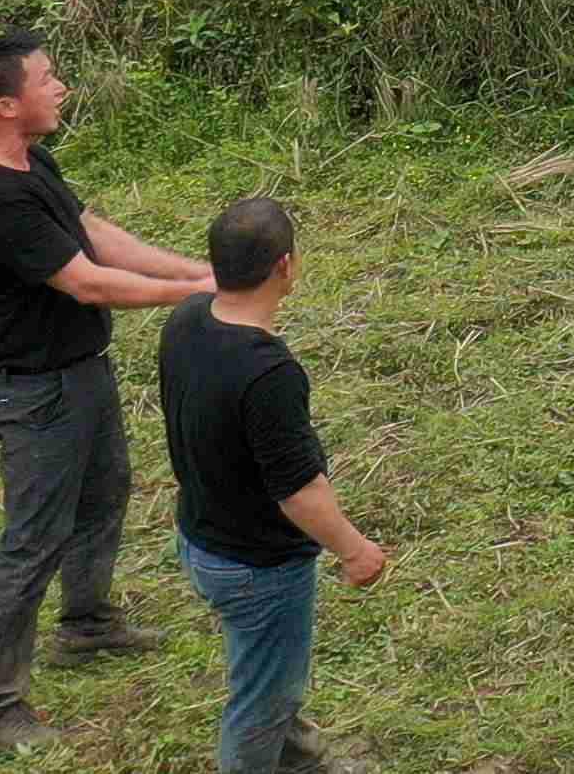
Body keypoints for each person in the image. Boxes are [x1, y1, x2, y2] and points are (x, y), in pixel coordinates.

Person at [0, 31, 213, 751]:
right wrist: (191, 293)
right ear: (7, 103)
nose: (60, 85)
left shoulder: (29, 159)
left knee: (105, 493)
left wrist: (196, 269)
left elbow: (93, 233)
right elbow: (86, 280)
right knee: (32, 539)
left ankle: (86, 625)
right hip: (37, 395)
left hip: (79, 370)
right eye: (47, 77)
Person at [157, 197, 385, 774]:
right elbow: (299, 491)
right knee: (262, 700)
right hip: (257, 566)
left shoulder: (186, 320)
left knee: (265, 669)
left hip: (200, 536)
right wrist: (355, 550)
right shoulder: (269, 373)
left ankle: (302, 762)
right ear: (285, 267)